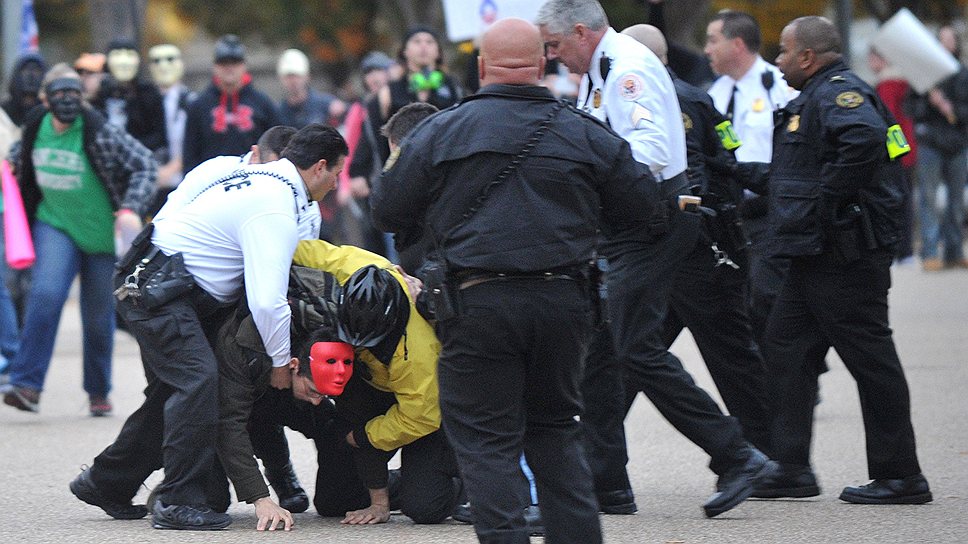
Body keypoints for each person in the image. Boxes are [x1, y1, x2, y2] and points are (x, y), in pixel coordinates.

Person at [373, 16, 663, 543]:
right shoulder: (582, 130)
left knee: (486, 443)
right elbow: (644, 206)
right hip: (564, 302)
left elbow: (388, 209)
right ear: (544, 63)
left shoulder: (442, 130)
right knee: (556, 432)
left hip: (475, 304)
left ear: (482, 68)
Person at [538, 0, 775, 519]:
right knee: (600, 355)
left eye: (555, 46)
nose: (554, 58)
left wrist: (582, 169)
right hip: (630, 223)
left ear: (580, 32)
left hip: (654, 220)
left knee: (635, 350)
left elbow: (649, 148)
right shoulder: (601, 67)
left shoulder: (627, 69)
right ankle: (605, 485)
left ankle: (736, 454)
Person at [68, 124, 347, 530]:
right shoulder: (275, 205)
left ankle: (106, 483)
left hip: (162, 280)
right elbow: (267, 301)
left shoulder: (256, 177)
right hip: (161, 290)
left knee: (176, 389)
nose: (338, 182)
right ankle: (178, 500)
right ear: (320, 167)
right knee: (199, 381)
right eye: (338, 172)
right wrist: (281, 361)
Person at [761, 15, 932, 505]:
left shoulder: (839, 93)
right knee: (786, 351)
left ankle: (901, 476)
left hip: (845, 256)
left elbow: (862, 140)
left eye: (784, 51)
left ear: (807, 57)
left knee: (871, 362)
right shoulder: (814, 96)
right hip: (813, 256)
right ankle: (791, 468)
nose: (780, 60)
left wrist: (823, 203)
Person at [622, 22, 773, 458]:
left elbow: (702, 174)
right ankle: (599, 463)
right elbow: (728, 155)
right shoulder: (698, 97)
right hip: (692, 243)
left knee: (635, 354)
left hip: (688, 248)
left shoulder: (657, 99)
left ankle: (769, 456)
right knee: (630, 355)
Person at [1, 64, 155, 415]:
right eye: (59, 94)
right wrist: (9, 168)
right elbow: (18, 157)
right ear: (45, 98)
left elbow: (144, 164)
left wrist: (132, 206)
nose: (67, 100)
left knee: (99, 318)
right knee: (45, 293)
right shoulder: (35, 125)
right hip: (54, 223)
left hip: (100, 234)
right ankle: (26, 384)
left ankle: (98, 392)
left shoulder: (99, 131)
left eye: (74, 93)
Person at [281, 240, 462, 526]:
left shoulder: (417, 352)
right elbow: (289, 247)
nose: (356, 345)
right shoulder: (353, 269)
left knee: (426, 508)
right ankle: (394, 482)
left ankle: (462, 481)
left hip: (425, 411)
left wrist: (364, 436)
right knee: (335, 502)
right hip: (371, 387)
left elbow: (420, 418)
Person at [704, 10, 799, 342]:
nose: (706, 50)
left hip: (768, 211)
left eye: (713, 40)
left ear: (738, 44)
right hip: (729, 216)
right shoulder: (715, 94)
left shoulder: (779, 87)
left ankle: (797, 378)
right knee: (738, 303)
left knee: (767, 298)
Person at [905, 25, 968, 271]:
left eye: (949, 40)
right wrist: (928, 105)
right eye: (941, 40)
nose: (945, 44)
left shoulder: (963, 75)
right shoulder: (925, 75)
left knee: (955, 200)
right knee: (928, 200)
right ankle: (930, 251)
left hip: (958, 144)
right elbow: (911, 107)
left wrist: (948, 107)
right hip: (931, 142)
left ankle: (954, 250)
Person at [183, 34, 281, 173]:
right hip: (211, 183)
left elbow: (276, 146)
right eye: (223, 62)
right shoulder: (199, 106)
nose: (229, 68)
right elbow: (190, 154)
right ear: (215, 66)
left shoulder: (263, 103)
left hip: (254, 180)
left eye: (234, 62)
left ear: (244, 65)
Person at [868, 48, 917, 266]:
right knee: (905, 200)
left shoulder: (887, 85)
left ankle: (902, 250)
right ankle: (905, 250)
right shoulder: (903, 83)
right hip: (906, 149)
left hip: (895, 152)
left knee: (897, 202)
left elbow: (886, 121)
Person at [91, 38, 168, 159]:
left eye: (129, 55)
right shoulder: (99, 94)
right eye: (117, 55)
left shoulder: (148, 94)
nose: (123, 62)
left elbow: (159, 135)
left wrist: (130, 148)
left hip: (140, 157)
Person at [146, 43, 196, 217]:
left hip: (182, 182)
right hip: (151, 181)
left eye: (170, 59)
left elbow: (194, 141)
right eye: (157, 61)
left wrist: (175, 166)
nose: (163, 66)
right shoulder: (143, 100)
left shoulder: (191, 101)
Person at [277, 48, 346, 129]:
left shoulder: (326, 104)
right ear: (281, 79)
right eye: (288, 77)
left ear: (307, 76)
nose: (293, 81)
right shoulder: (278, 112)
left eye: (297, 76)